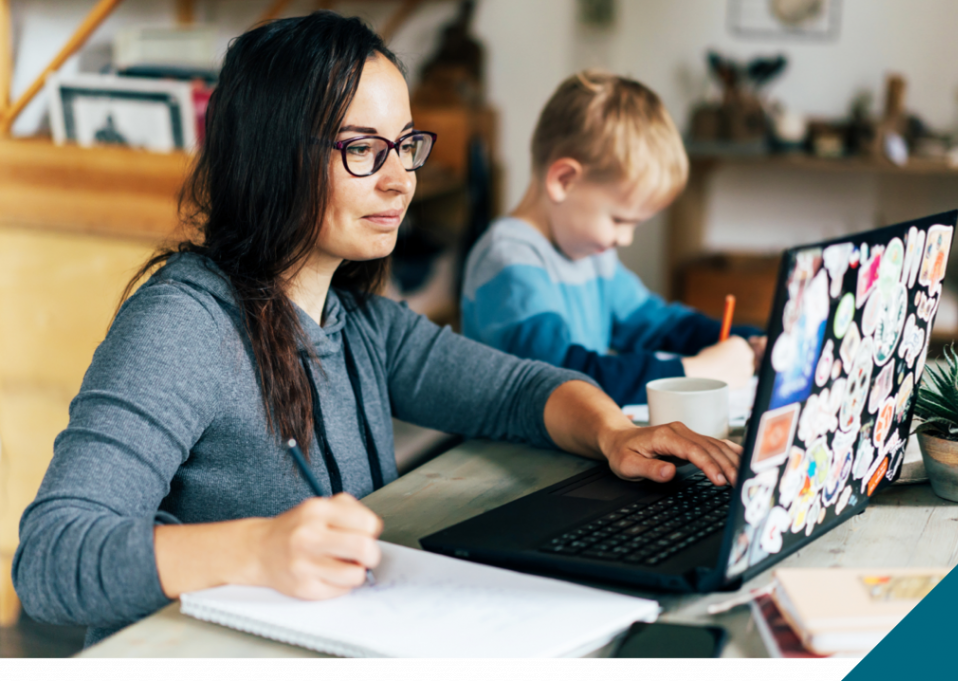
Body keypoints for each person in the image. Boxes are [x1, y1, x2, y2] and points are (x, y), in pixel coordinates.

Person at [13, 14, 742, 646]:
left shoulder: (359, 322)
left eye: (404, 145)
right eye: (363, 149)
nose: (400, 180)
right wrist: (257, 547)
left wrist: (612, 432)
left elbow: (517, 389)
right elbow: (49, 560)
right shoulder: (181, 325)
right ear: (275, 156)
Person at [461, 71, 766, 406]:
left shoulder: (591, 254)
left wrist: (750, 340)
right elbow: (565, 378)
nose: (626, 238)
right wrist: (692, 371)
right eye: (619, 219)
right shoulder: (509, 260)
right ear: (564, 180)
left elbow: (658, 325)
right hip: (506, 454)